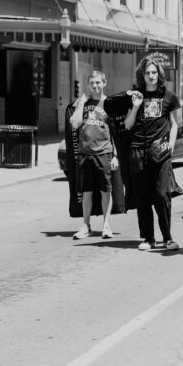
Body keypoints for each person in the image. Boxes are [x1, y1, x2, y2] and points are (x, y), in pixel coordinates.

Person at [125, 57, 182, 251]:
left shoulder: (168, 95)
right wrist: (135, 106)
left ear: (159, 74)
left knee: (161, 194)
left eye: (154, 72)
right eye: (147, 73)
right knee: (142, 196)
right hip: (137, 149)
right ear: (142, 75)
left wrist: (171, 147)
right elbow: (127, 125)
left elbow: (174, 124)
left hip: (160, 151)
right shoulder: (135, 95)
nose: (151, 76)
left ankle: (168, 238)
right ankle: (148, 238)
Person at [70, 70, 118, 240]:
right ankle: (86, 226)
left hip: (103, 152)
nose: (95, 86)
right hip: (85, 153)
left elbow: (115, 132)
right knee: (87, 191)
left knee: (106, 190)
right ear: (88, 85)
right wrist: (82, 102)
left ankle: (106, 225)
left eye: (98, 83)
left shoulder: (110, 104)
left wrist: (115, 156)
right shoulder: (82, 102)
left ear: (104, 83)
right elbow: (74, 124)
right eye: (92, 83)